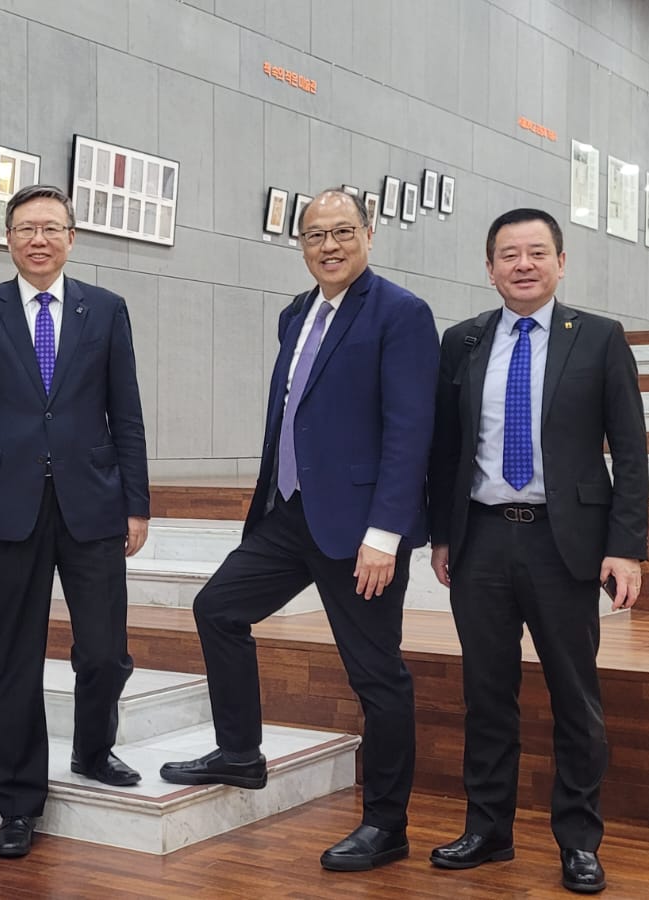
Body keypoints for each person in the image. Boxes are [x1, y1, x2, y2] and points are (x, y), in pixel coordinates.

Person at [158, 190, 439, 873]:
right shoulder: (295, 314)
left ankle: (386, 824)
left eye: (343, 231)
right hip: (288, 515)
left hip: (359, 530)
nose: (330, 245)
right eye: (316, 235)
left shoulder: (401, 314)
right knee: (217, 608)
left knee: (377, 677)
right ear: (301, 245)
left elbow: (410, 431)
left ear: (368, 235)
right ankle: (240, 752)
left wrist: (386, 533)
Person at [426, 208, 648, 895]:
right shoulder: (461, 341)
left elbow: (631, 449)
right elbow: (445, 449)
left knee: (574, 698)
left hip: (566, 543)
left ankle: (578, 840)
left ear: (560, 262)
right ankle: (487, 829)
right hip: (482, 537)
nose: (522, 264)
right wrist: (441, 533)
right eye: (508, 254)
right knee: (486, 695)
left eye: (536, 252)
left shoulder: (601, 338)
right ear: (488, 266)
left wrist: (626, 546)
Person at [0, 184, 151, 859]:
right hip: (8, 506)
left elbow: (128, 412)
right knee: (16, 658)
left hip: (93, 501)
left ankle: (94, 749)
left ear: (71, 237)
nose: (39, 238)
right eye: (26, 227)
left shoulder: (107, 309)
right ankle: (19, 799)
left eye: (51, 227)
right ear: (7, 238)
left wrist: (138, 501)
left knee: (103, 649)